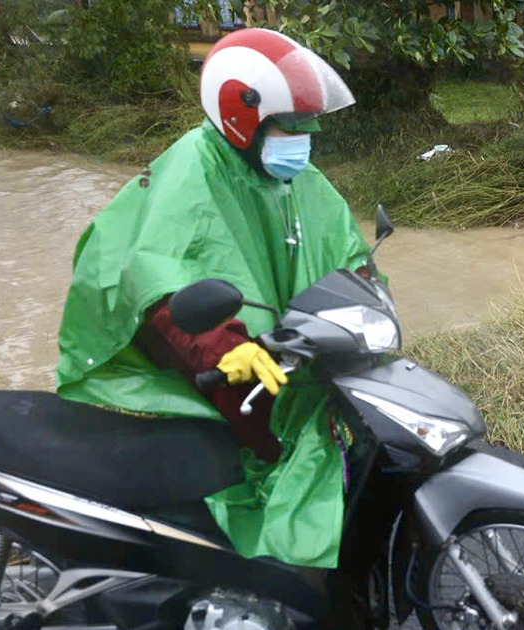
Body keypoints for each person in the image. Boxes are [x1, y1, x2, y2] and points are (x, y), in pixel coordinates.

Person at [54, 28, 371, 569]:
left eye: (307, 126)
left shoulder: (291, 176)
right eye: (290, 125)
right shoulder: (192, 171)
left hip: (275, 340)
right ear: (240, 117)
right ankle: (262, 570)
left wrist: (369, 294)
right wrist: (224, 347)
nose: (304, 137)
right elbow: (161, 276)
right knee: (258, 432)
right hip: (199, 344)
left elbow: (342, 246)